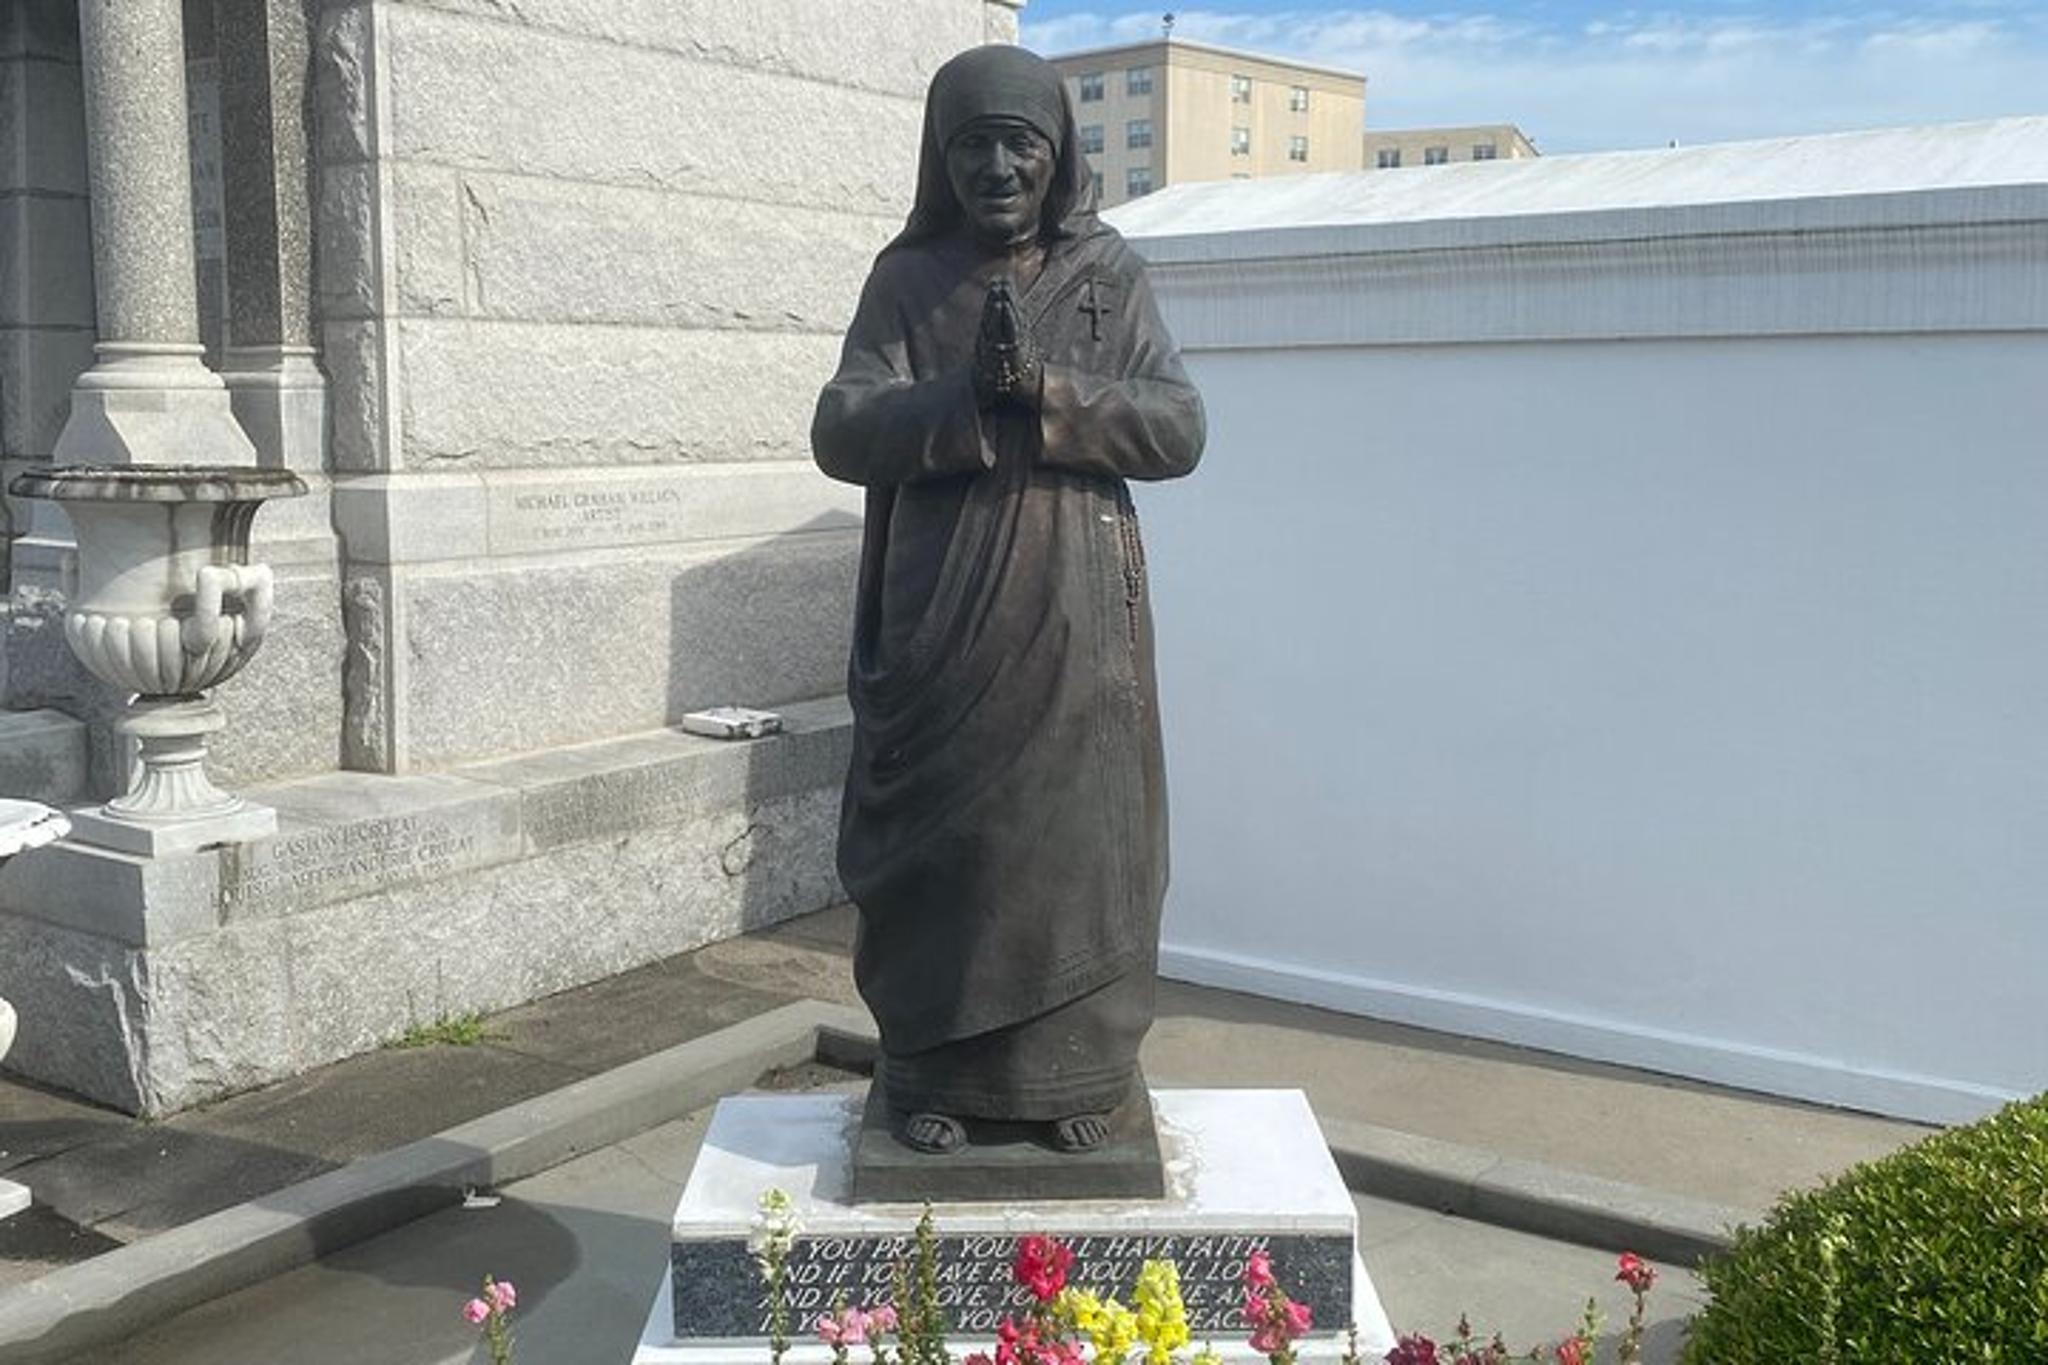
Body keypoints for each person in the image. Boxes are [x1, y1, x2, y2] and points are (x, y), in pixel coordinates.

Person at [812, 43, 1204, 1156]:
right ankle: (932, 1069)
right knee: (952, 847)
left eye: (1017, 144)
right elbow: (839, 426)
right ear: (941, 158)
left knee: (1071, 838)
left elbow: (1177, 427)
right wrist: (957, 400)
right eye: (971, 144)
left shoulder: (1107, 274)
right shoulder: (907, 280)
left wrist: (1045, 393)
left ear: (1056, 157)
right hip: (939, 614)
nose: (994, 166)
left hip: (1076, 616)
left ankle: (1077, 1073)